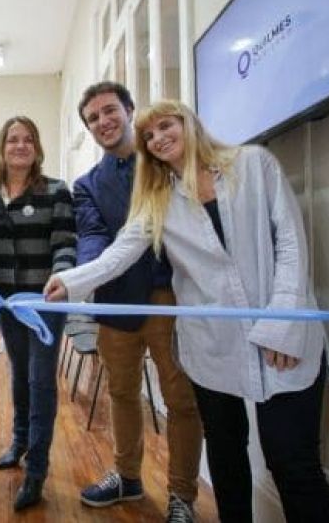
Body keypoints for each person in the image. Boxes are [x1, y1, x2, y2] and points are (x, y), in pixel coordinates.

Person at [45, 100, 329, 523]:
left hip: (285, 337)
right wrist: (70, 282)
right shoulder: (158, 198)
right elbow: (119, 254)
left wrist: (284, 324)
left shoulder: (254, 165)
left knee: (293, 465)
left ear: (189, 123)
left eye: (167, 126)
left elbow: (291, 246)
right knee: (225, 454)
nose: (158, 138)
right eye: (149, 136)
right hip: (211, 343)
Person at [72, 82, 202, 522]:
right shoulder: (88, 185)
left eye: (110, 111)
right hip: (115, 303)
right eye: (93, 118)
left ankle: (182, 495)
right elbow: (92, 236)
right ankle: (127, 476)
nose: (103, 122)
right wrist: (84, 278)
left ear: (129, 110)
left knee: (181, 400)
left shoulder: (166, 162)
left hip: (170, 296)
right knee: (121, 392)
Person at [0, 115, 76, 511]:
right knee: (18, 372)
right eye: (13, 139)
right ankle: (18, 441)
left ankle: (36, 471)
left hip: (44, 301)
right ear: (2, 146)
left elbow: (65, 243)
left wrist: (62, 276)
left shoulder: (55, 191)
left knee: (40, 379)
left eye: (27, 139)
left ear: (37, 148)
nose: (20, 145)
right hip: (4, 302)